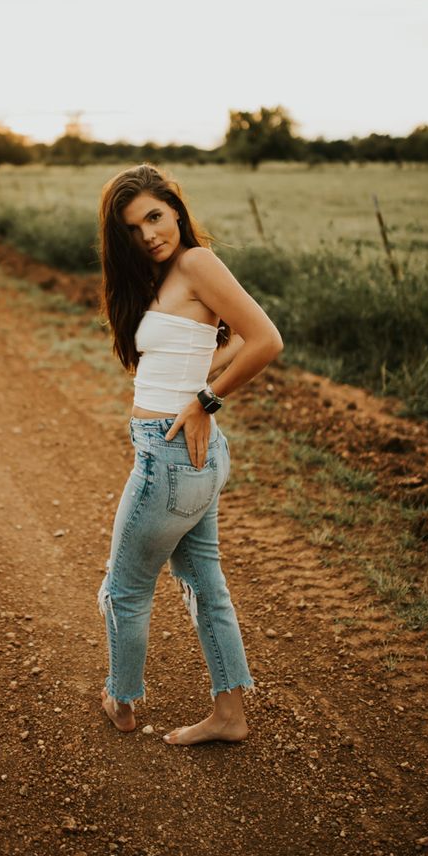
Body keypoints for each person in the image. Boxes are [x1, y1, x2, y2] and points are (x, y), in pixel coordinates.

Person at [97, 163, 283, 745]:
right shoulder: (165, 276)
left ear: (175, 209)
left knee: (124, 588)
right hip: (190, 460)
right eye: (133, 227)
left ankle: (121, 701)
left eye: (155, 216)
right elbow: (216, 342)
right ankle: (230, 714)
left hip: (171, 458)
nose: (149, 233)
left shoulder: (196, 263)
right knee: (205, 582)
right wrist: (202, 376)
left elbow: (267, 340)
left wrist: (205, 400)